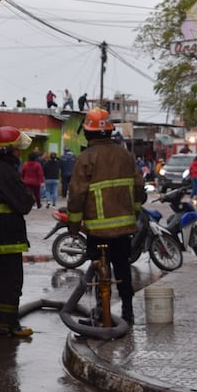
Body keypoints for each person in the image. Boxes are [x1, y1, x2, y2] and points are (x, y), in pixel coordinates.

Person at [66, 108, 146, 325]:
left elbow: (76, 196)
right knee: (122, 270)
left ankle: (102, 314)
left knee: (100, 272)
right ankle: (128, 314)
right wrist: (135, 212)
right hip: (124, 229)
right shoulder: (126, 155)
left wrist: (73, 227)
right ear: (110, 131)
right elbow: (139, 188)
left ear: (88, 133)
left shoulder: (85, 159)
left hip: (97, 231)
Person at [0, 126, 35, 337]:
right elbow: (24, 204)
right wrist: (27, 195)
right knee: (9, 283)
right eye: (16, 149)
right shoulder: (6, 172)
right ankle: (6, 324)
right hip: (7, 237)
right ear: (6, 150)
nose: (19, 153)